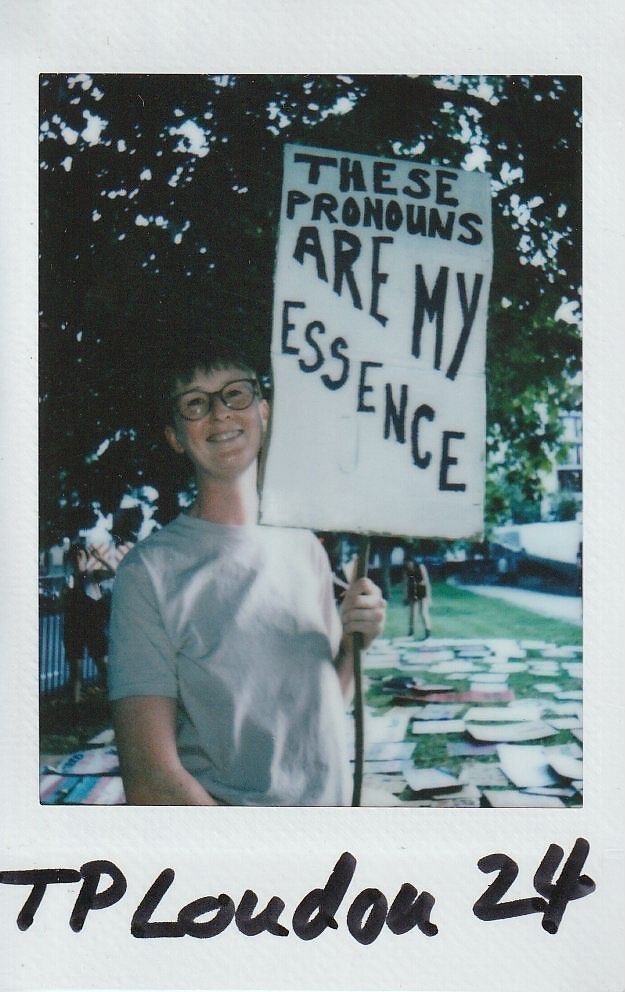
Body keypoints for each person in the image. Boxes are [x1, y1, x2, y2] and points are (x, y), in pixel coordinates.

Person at [108, 340, 386, 806]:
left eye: (235, 393)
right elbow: (151, 778)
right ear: (176, 436)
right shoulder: (148, 573)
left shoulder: (305, 547)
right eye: (195, 403)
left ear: (264, 411)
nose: (219, 413)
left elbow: (327, 708)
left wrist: (356, 644)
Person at [62, 543, 113, 705]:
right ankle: (75, 713)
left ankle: (112, 704)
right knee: (75, 672)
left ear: (86, 558)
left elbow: (114, 572)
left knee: (103, 667)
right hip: (73, 630)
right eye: (74, 555)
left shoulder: (93, 575)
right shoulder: (68, 580)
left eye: (81, 555)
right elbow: (63, 607)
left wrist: (100, 559)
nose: (77, 558)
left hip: (93, 629)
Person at [404, 557, 432, 639]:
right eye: (407, 563)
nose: (408, 565)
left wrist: (429, 596)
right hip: (412, 590)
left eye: (409, 563)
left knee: (423, 611)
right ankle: (411, 631)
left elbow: (427, 582)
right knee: (412, 613)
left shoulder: (420, 567)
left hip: (421, 590)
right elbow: (405, 583)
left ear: (412, 562)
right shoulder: (406, 570)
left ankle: (428, 631)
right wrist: (405, 596)